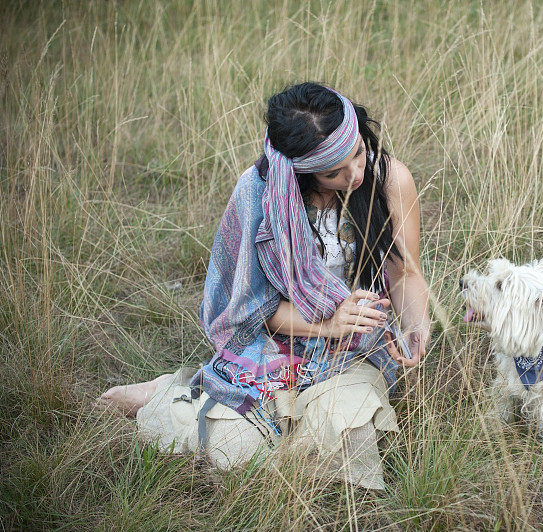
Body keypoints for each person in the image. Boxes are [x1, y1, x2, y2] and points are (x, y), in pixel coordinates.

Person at [99, 82, 431, 489]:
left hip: (356, 348)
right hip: (274, 342)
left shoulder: (389, 178)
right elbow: (252, 308)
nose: (355, 174)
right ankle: (173, 392)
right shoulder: (257, 194)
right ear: (300, 172)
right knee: (233, 454)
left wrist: (415, 325)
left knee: (353, 432)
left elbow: (404, 273)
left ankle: (267, 421)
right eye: (333, 173)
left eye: (359, 153)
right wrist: (328, 322)